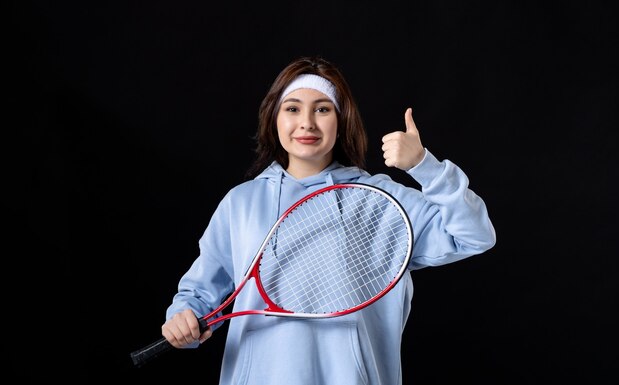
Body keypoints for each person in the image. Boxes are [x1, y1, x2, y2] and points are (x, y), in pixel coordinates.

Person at [161, 55, 496, 385]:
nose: (306, 122)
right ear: (274, 118)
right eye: (292, 109)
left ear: (342, 120)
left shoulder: (380, 200)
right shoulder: (241, 203)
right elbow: (200, 300)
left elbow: (474, 235)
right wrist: (183, 321)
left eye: (322, 109)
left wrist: (425, 166)